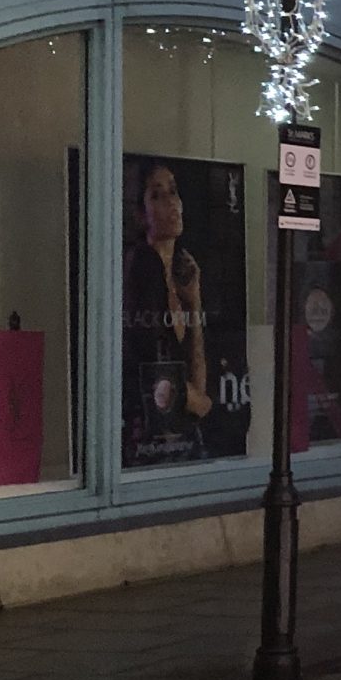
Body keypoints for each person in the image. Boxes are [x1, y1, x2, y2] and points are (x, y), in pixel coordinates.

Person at [122, 158, 212, 458]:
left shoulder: (181, 274)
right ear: (140, 213)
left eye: (173, 192)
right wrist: (198, 400)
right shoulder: (141, 267)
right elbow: (158, 377)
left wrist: (194, 301)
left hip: (182, 440)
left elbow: (197, 384)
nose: (171, 202)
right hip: (150, 443)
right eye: (157, 196)